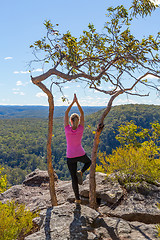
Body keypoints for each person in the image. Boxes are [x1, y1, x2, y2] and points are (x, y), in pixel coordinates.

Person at [64, 94, 91, 204]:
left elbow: (66, 113)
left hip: (70, 156)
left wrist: (72, 103)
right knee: (88, 162)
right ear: (79, 120)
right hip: (80, 153)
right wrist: (77, 102)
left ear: (70, 121)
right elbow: (83, 113)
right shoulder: (81, 128)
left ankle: (77, 199)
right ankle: (81, 171)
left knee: (73, 179)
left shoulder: (67, 129)